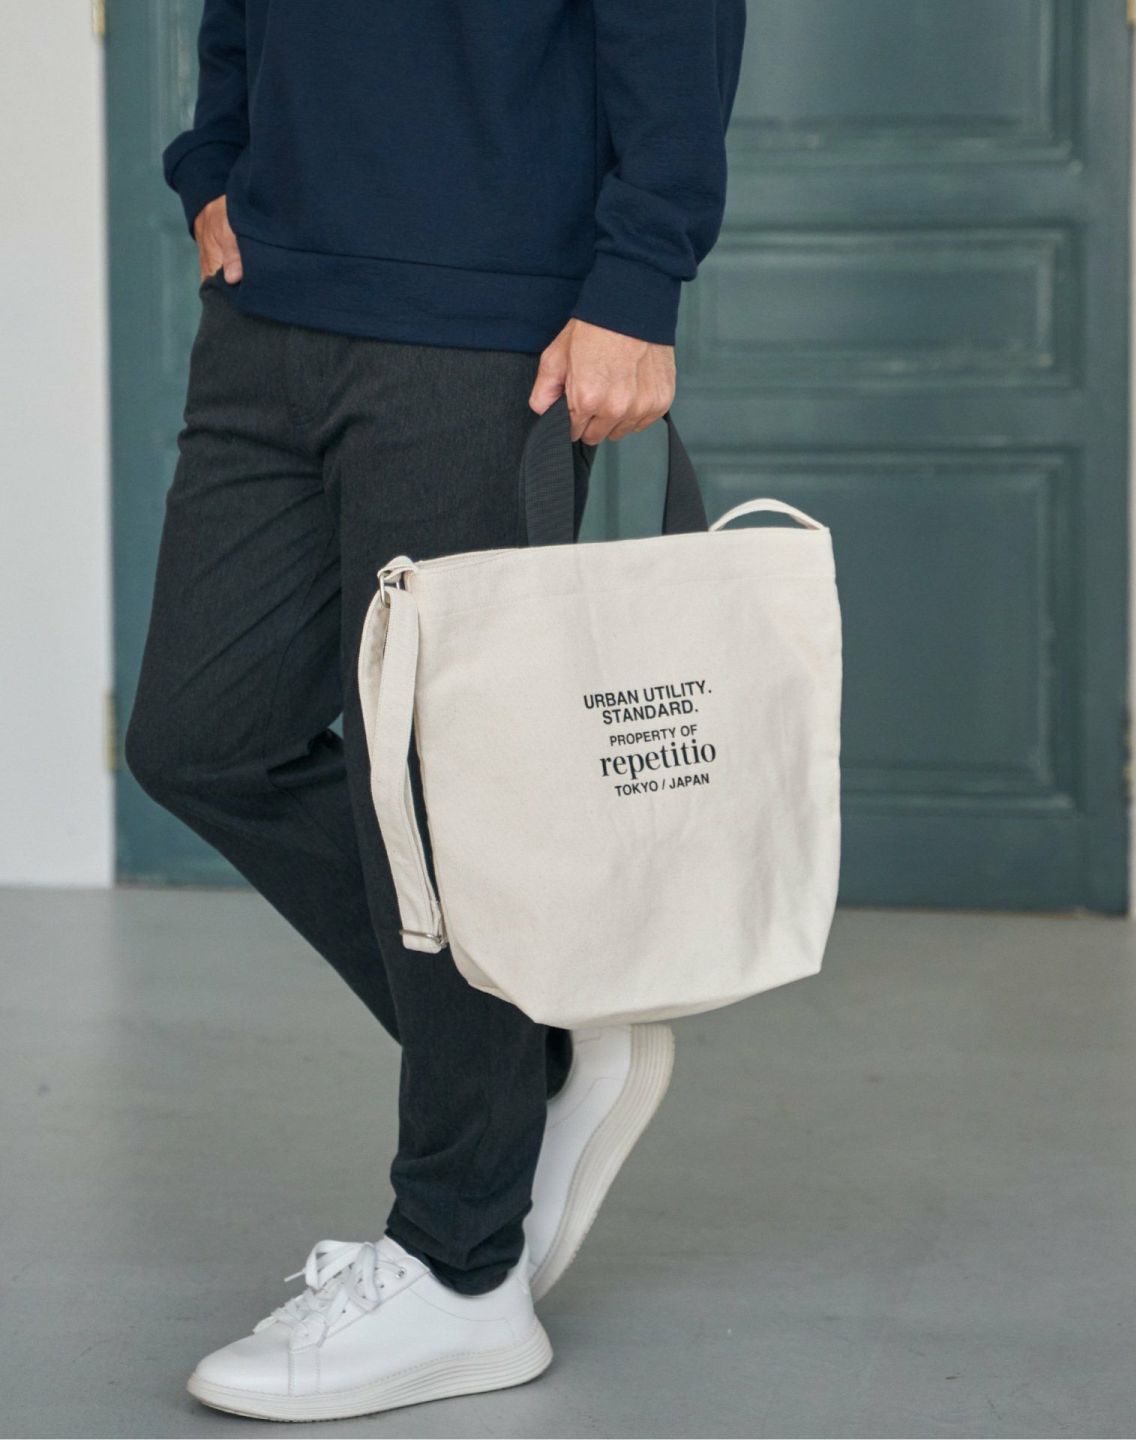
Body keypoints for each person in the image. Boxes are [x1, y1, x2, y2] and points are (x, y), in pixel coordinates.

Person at [124, 0, 745, 1421]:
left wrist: (640, 277)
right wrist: (214, 157)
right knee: (200, 738)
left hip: (482, 328)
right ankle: (536, 1049)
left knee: (428, 791)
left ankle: (464, 1273)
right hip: (270, 307)